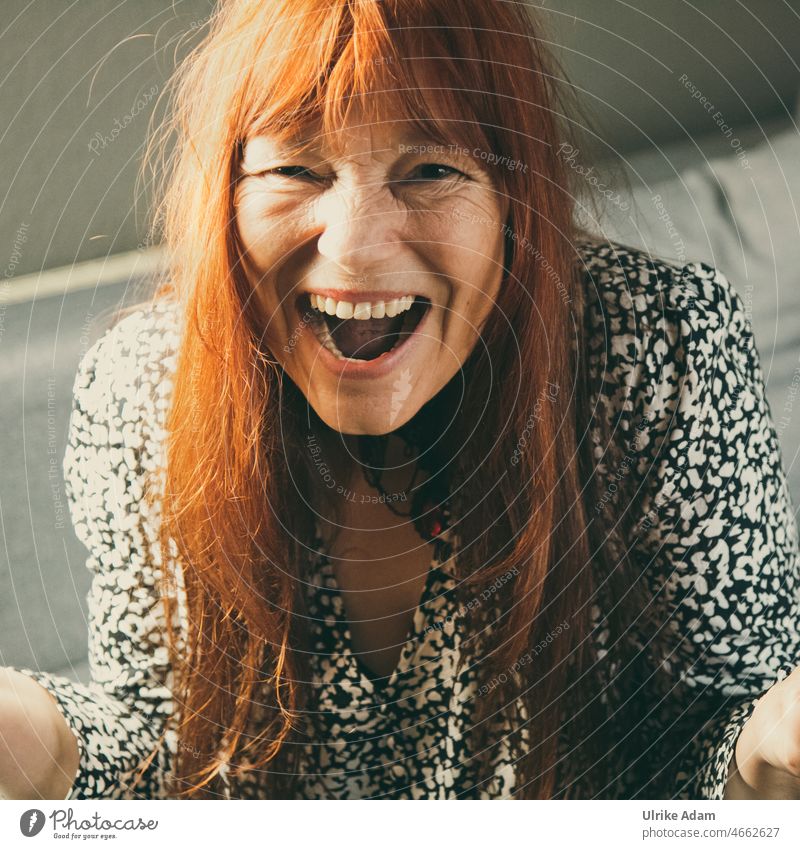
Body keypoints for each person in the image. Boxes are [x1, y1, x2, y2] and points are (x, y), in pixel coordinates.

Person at [2, 0, 800, 801]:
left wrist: (766, 753)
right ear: (227, 191)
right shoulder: (145, 383)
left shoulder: (661, 345)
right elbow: (165, 740)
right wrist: (40, 742)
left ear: (515, 198)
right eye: (295, 168)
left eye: (430, 170)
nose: (353, 245)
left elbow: (715, 731)